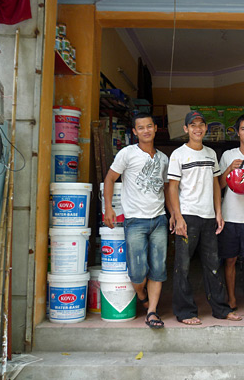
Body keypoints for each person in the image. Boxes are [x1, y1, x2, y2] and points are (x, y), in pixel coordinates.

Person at [168, 110, 242, 325]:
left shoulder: (210, 154)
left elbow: (215, 185)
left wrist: (218, 212)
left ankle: (220, 309)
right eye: (193, 125)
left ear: (206, 128)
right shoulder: (178, 154)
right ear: (186, 129)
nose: (197, 128)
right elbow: (172, 188)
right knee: (182, 266)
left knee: (213, 265)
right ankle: (185, 312)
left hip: (209, 216)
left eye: (201, 124)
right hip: (188, 216)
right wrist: (178, 216)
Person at [103, 112, 172, 329]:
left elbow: (167, 189)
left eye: (149, 126)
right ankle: (141, 294)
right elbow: (110, 178)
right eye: (141, 128)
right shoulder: (127, 154)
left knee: (158, 268)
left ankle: (152, 311)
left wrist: (173, 216)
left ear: (155, 128)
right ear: (134, 132)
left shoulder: (163, 158)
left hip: (159, 219)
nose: (146, 131)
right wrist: (108, 208)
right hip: (135, 221)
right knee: (137, 271)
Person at [218, 114, 244, 310]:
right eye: (243, 128)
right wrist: (228, 169)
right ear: (237, 132)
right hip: (230, 216)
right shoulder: (228, 155)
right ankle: (231, 298)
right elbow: (218, 185)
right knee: (230, 260)